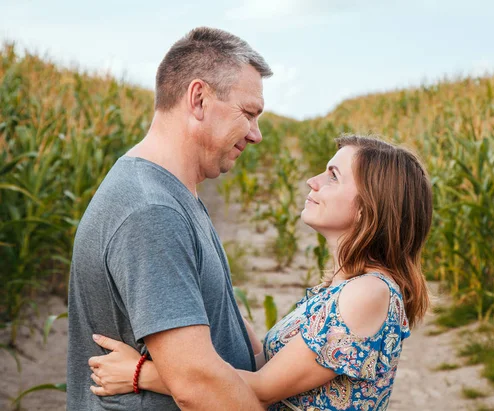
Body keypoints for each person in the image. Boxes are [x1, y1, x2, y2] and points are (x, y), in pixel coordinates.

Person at [88, 135, 433, 410]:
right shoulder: (344, 287)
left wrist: (140, 374)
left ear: (367, 208)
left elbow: (262, 391)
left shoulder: (369, 293)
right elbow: (267, 363)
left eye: (333, 176)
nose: (313, 181)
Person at [67, 27, 272, 410]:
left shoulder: (174, 192)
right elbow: (196, 384)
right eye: (248, 114)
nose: (256, 134)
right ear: (198, 99)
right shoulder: (151, 211)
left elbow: (213, 312)